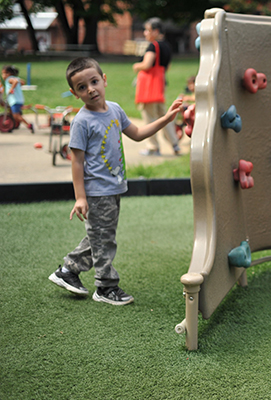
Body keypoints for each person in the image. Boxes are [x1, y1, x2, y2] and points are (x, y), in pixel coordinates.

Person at [48, 57, 183, 305]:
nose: (90, 89)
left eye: (94, 81)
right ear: (74, 93)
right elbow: (76, 161)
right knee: (104, 237)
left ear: (104, 80)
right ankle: (106, 287)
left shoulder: (115, 109)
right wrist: (80, 197)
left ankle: (68, 270)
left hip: (113, 188)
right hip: (97, 191)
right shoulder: (81, 121)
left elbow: (139, 134)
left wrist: (166, 119)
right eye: (82, 87)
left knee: (100, 234)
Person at [133, 17, 181, 156]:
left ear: (156, 31)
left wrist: (136, 66)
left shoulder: (153, 46)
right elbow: (167, 67)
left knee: (149, 116)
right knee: (164, 116)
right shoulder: (166, 46)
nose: (145, 33)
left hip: (149, 86)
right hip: (160, 84)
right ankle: (175, 144)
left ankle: (153, 147)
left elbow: (147, 64)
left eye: (147, 30)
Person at [1, 65, 34, 133]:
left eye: (3, 73)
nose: (2, 76)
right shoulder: (16, 78)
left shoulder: (9, 79)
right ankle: (13, 122)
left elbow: (15, 82)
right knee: (11, 111)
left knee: (16, 115)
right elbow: (22, 82)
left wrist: (11, 89)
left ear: (8, 74)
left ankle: (29, 125)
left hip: (14, 100)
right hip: (19, 99)